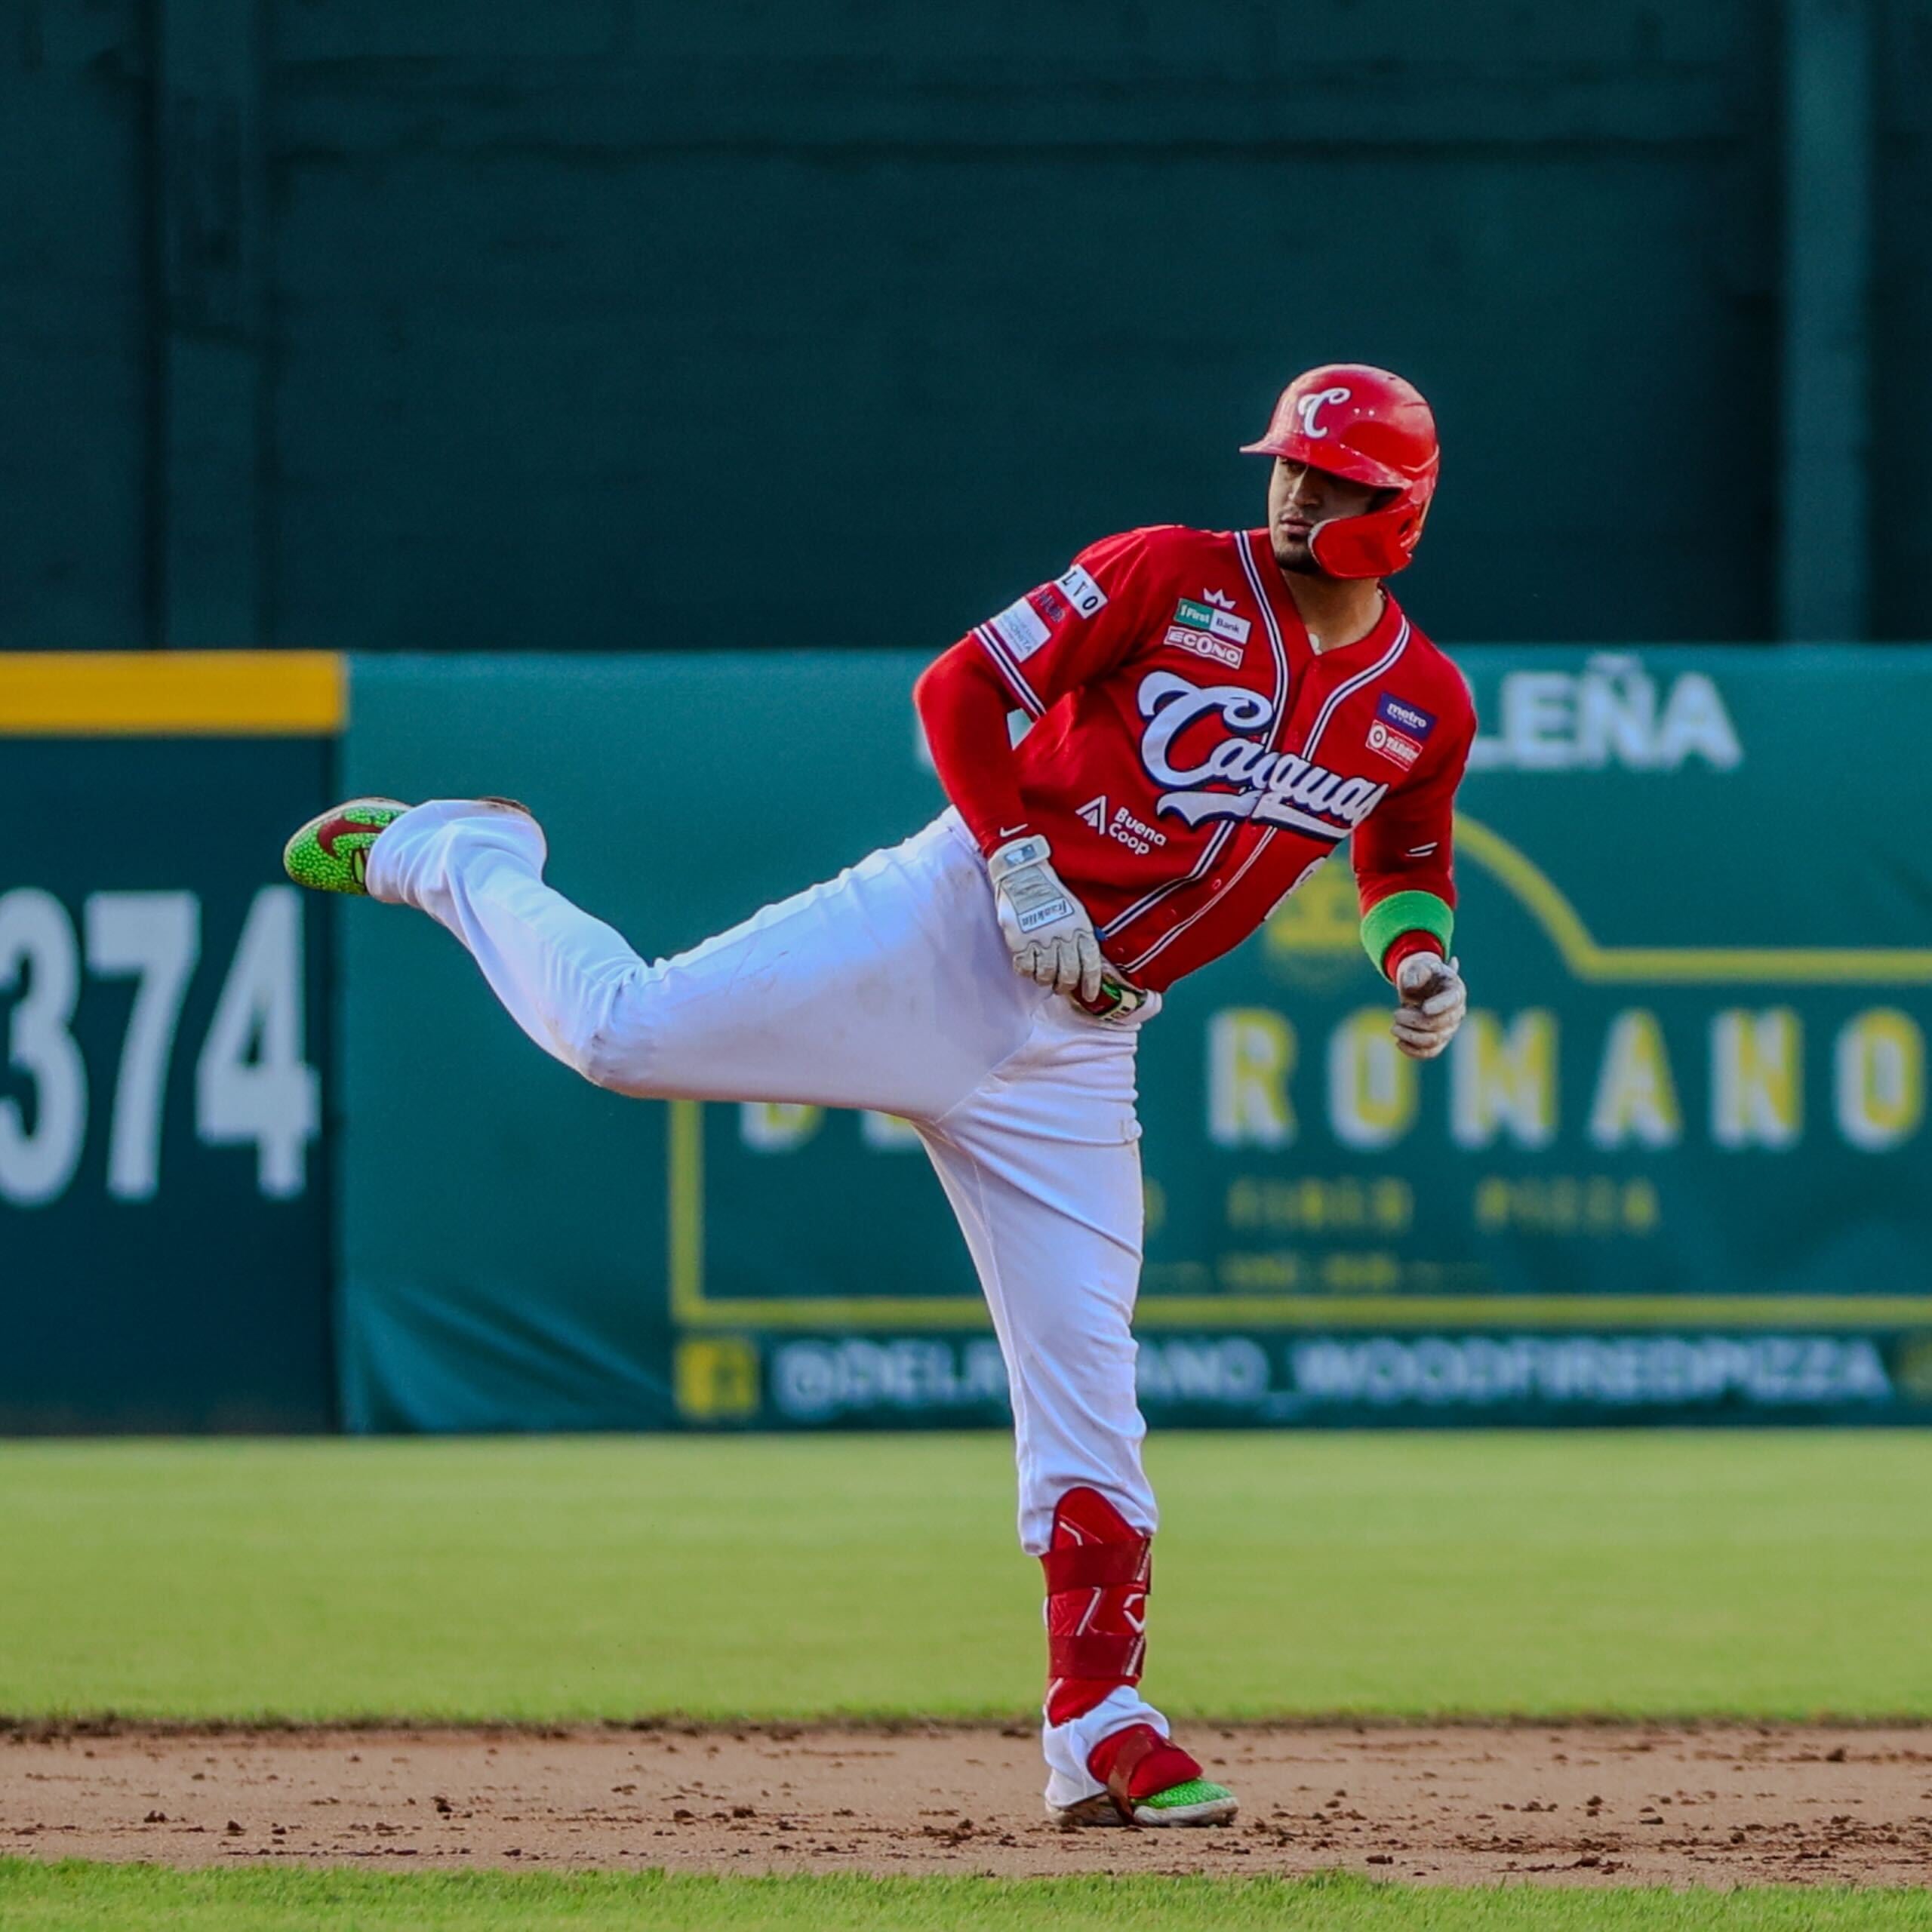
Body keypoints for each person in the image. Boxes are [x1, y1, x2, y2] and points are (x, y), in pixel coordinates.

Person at [283, 363, 1473, 1829]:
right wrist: (1020, 854)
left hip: (1084, 1041)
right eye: (1287, 465)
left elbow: (1402, 851)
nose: (1294, 493)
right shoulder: (1170, 572)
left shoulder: (1418, 702)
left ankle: (1099, 1720)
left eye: (1331, 479)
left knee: (1089, 1383)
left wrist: (1414, 956)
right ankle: (456, 853)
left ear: (1397, 508)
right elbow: (961, 685)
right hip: (952, 924)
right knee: (618, 1029)